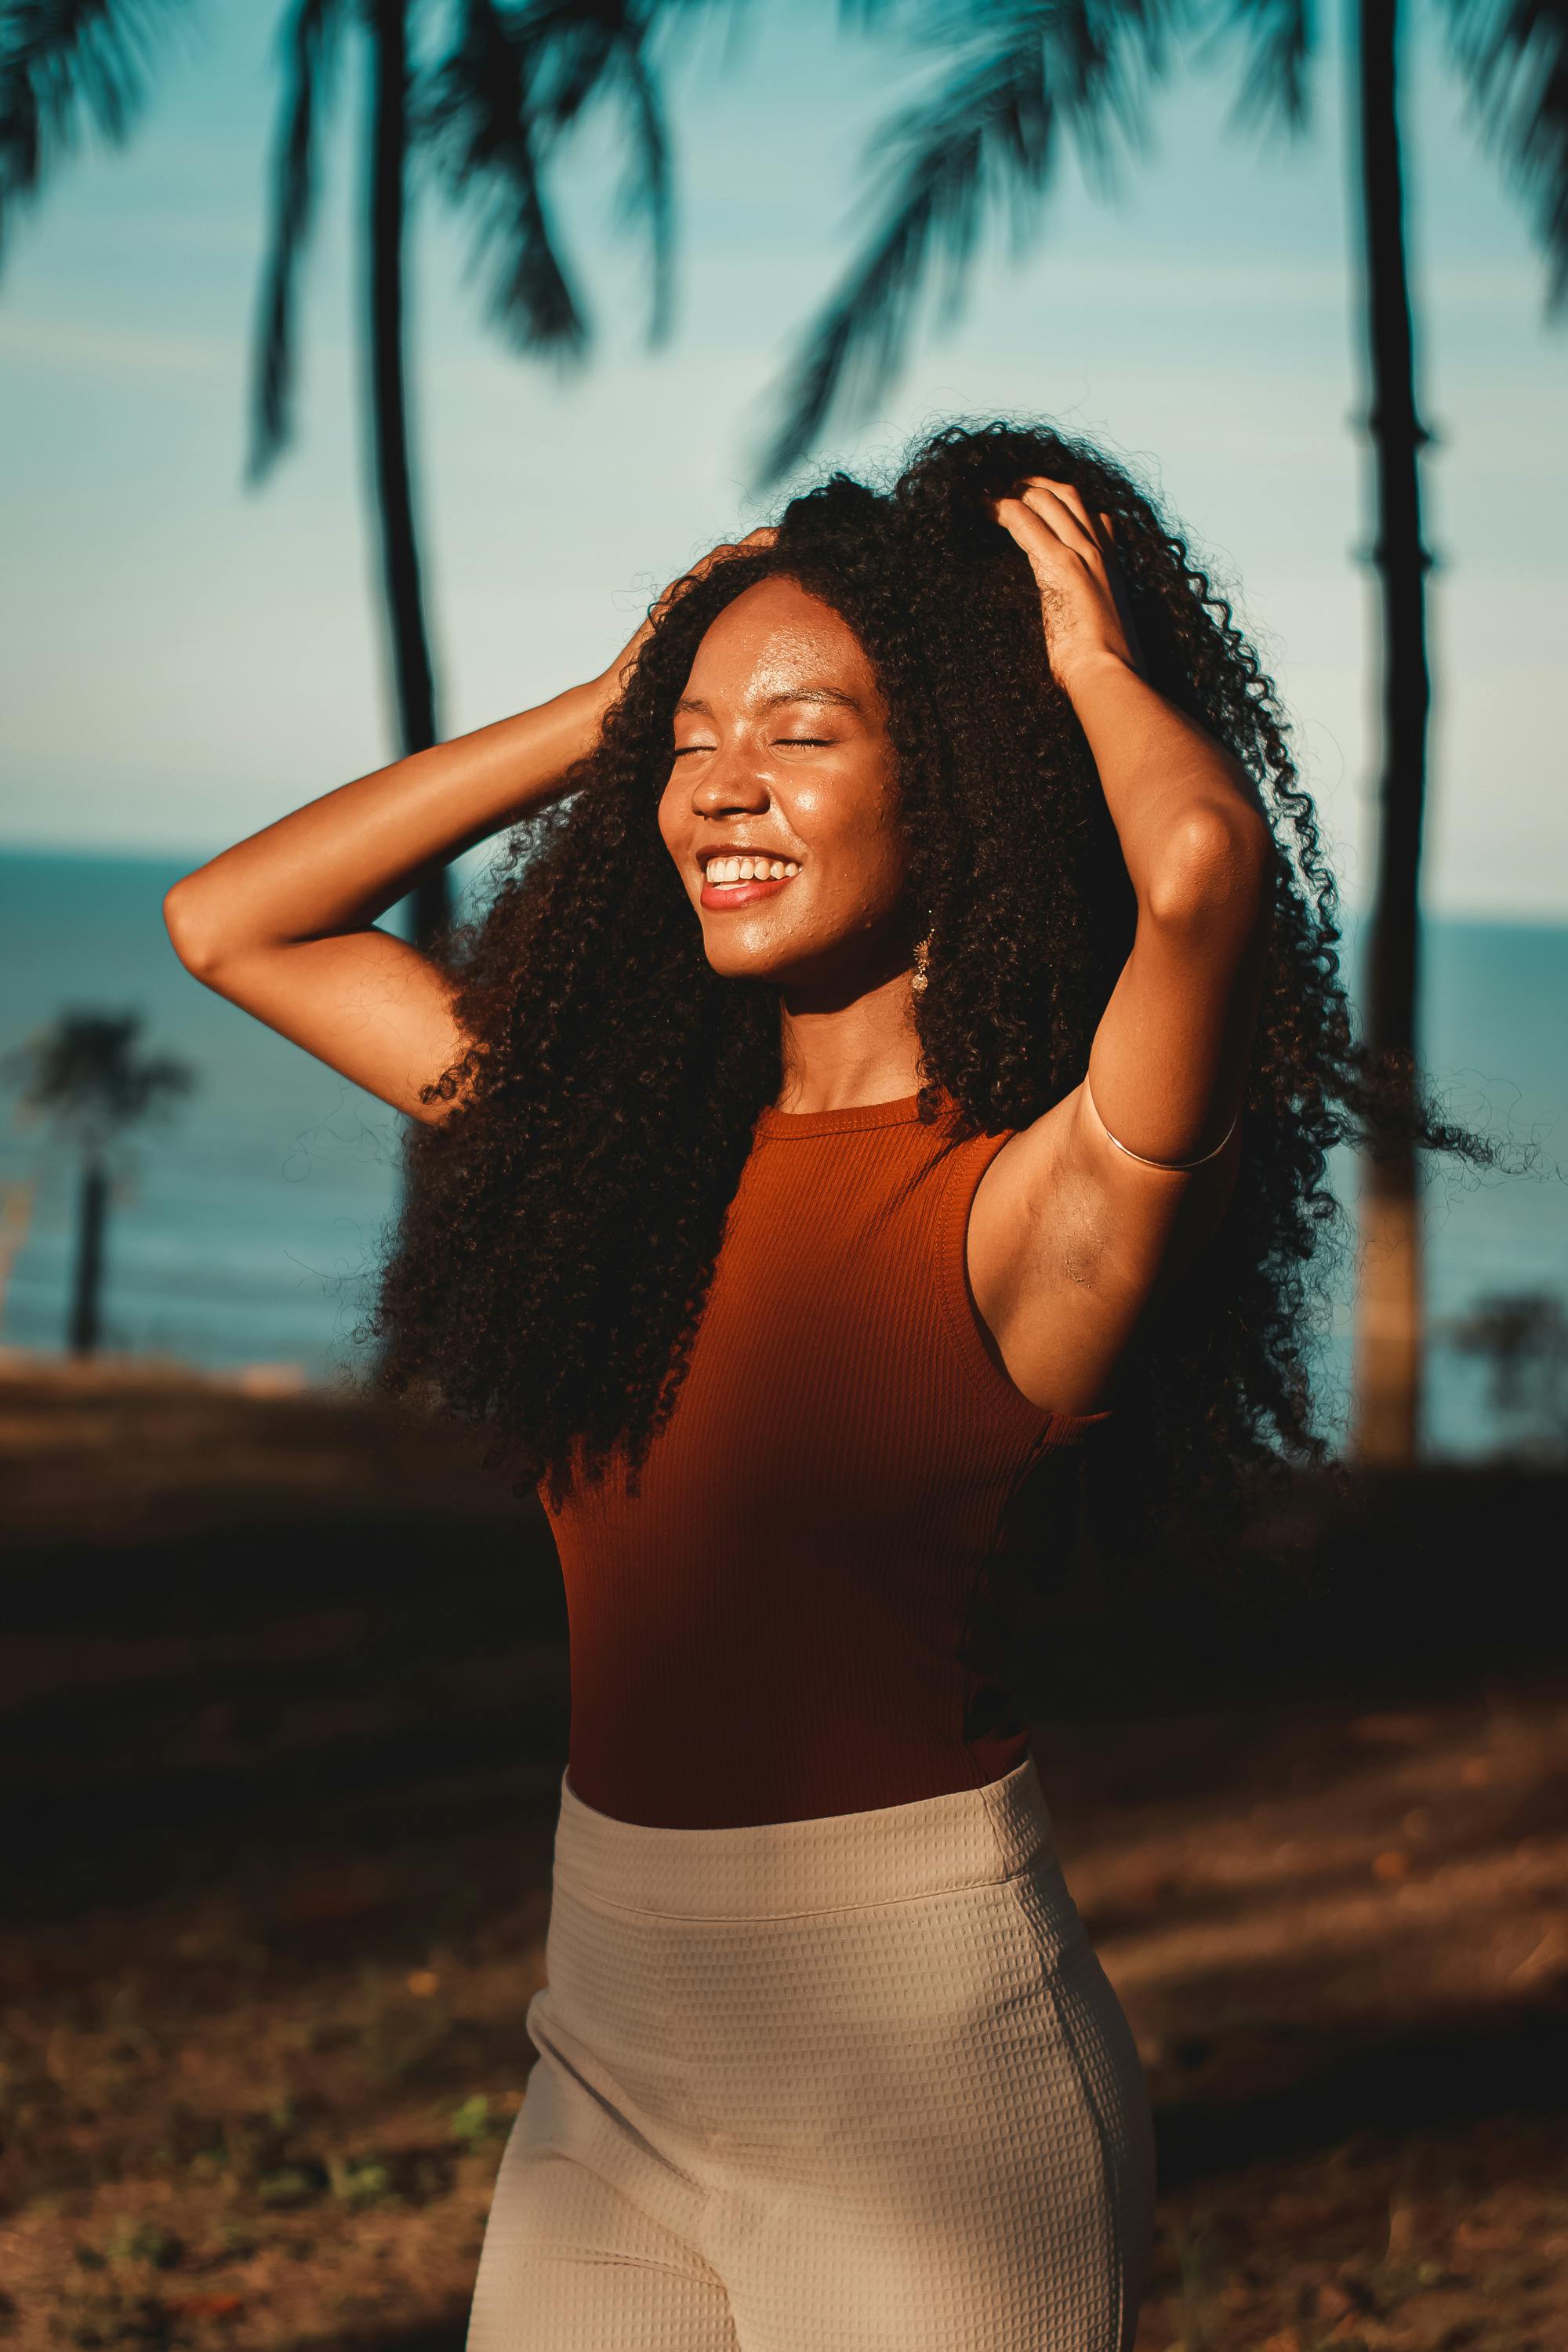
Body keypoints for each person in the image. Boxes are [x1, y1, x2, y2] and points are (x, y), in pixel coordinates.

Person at [164, 419, 1422, 2350]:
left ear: (962, 792)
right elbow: (229, 920)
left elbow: (1195, 869)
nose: (719, 791)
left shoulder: (1030, 1211)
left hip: (923, 2078)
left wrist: (1077, 665)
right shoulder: (611, 1156)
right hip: (608, 2040)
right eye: (695, 747)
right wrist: (619, 703)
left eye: (804, 736)